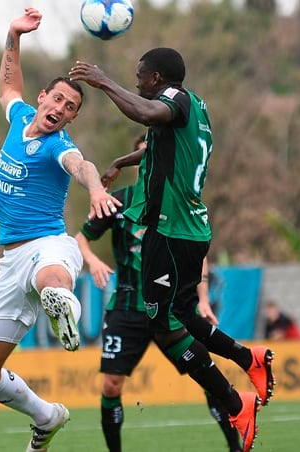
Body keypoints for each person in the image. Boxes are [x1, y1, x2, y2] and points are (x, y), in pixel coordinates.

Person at [70, 49, 272, 452]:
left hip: (170, 228)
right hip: (190, 228)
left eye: (140, 77)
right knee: (180, 315)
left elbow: (148, 115)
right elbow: (153, 145)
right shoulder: (195, 107)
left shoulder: (175, 99)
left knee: (163, 322)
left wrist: (105, 81)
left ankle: (236, 403)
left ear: (157, 78)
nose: (137, 82)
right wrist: (119, 162)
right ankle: (249, 359)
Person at [0, 8, 120, 452]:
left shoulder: (59, 146)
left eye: (70, 109)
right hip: (10, 260)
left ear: (71, 120)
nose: (61, 109)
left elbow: (82, 165)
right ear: (43, 98)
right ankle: (46, 416)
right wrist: (13, 35)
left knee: (50, 274)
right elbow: (8, 86)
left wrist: (93, 190)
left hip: (49, 245)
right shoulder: (19, 118)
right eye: (57, 100)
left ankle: (62, 303)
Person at [75, 178, 242, 452]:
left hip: (170, 310)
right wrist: (92, 261)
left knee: (205, 373)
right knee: (111, 385)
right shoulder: (117, 201)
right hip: (128, 309)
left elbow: (198, 252)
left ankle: (235, 447)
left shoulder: (178, 200)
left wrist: (202, 300)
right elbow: (81, 238)